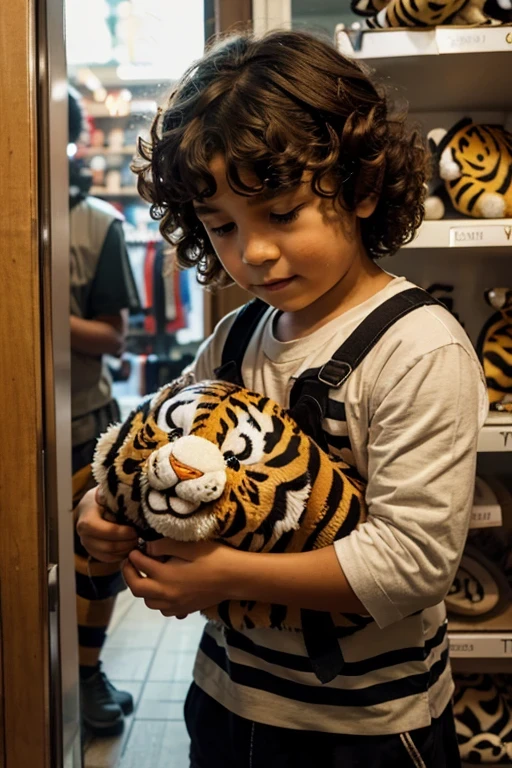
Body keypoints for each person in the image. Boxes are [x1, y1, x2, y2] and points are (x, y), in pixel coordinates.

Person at [76, 30, 488, 766]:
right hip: (228, 696)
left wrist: (225, 574)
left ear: (360, 189)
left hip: (367, 728)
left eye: (283, 213)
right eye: (223, 227)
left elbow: (413, 561)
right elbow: (151, 438)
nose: (252, 253)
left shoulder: (420, 347)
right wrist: (104, 505)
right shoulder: (235, 337)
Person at [68, 87, 140, 737]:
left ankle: (87, 673)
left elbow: (114, 336)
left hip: (80, 422)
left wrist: (43, 320)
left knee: (97, 558)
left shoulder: (99, 223)